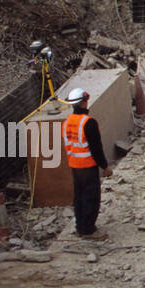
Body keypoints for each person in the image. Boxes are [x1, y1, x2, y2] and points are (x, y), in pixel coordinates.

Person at [62, 86, 112, 240]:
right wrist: (105, 166)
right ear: (83, 102)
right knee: (91, 197)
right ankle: (89, 230)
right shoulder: (88, 123)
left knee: (79, 197)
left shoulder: (67, 122)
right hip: (87, 165)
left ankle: (80, 227)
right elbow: (96, 148)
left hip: (75, 165)